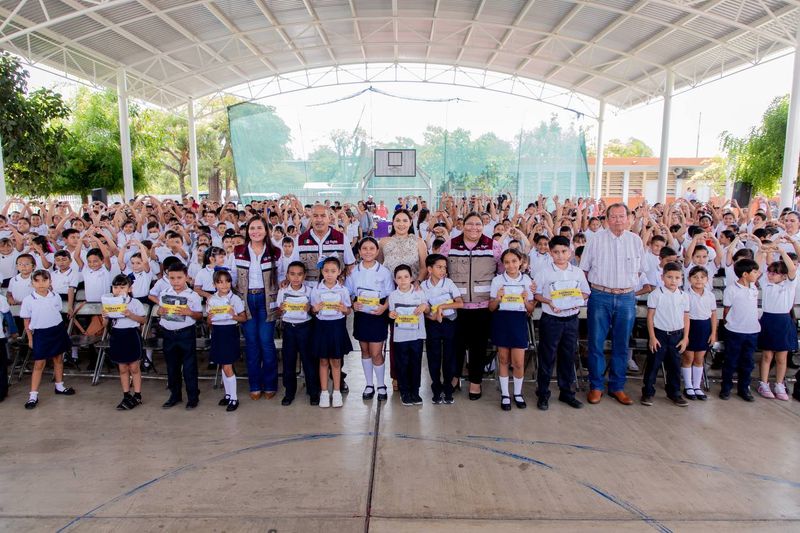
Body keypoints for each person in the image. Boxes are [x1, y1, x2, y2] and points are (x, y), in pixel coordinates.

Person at [580, 203, 642, 405]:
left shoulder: (635, 241)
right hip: (600, 296)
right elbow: (585, 270)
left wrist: (625, 287)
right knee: (596, 343)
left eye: (621, 216)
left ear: (628, 218)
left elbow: (640, 271)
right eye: (613, 216)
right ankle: (596, 386)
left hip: (626, 297)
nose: (617, 220)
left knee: (621, 344)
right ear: (606, 219)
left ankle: (617, 386)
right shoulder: (595, 240)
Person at [439, 212, 503, 400]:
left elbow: (503, 271)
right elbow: (440, 268)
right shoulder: (450, 244)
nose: (473, 228)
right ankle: (454, 378)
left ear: (483, 226)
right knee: (455, 345)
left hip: (482, 307)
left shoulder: (494, 246)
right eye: (469, 224)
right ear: (462, 225)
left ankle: (475, 382)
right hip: (457, 307)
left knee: (479, 347)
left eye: (478, 224)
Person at [533, 235, 590, 410]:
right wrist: (549, 301)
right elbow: (537, 294)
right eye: (556, 252)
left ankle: (567, 393)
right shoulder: (544, 271)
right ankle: (543, 393)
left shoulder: (577, 272)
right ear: (550, 253)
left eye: (564, 251)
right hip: (551, 319)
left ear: (570, 252)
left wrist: (574, 301)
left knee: (568, 356)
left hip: (571, 319)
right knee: (547, 357)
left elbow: (586, 293)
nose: (560, 255)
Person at [379, 208, 428, 390]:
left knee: (411, 334)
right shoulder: (384, 242)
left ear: (410, 223)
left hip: (412, 293)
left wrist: (417, 282)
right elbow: (379, 266)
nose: (401, 224)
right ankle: (396, 376)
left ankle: (411, 377)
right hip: (391, 294)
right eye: (398, 220)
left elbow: (423, 266)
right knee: (395, 337)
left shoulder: (418, 241)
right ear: (393, 222)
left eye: (405, 221)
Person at [234, 216, 281, 401]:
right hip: (246, 301)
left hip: (266, 300)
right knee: (252, 344)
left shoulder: (275, 251)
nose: (255, 231)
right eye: (252, 228)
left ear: (266, 230)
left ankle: (270, 384)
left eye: (259, 228)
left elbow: (283, 275)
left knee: (266, 343)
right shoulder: (238, 251)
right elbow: (232, 276)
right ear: (247, 231)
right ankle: (254, 384)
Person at [346, 237, 392, 401]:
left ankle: (381, 384)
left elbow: (390, 295)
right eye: (364, 248)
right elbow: (349, 292)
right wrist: (353, 304)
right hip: (361, 315)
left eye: (372, 248)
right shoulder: (353, 272)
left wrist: (383, 308)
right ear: (359, 251)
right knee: (365, 351)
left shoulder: (384, 272)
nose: (368, 252)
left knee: (376, 352)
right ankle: (369, 384)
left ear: (377, 251)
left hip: (377, 314)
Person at [20, 269, 74, 409]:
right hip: (41, 334)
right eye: (37, 281)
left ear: (50, 282)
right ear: (32, 283)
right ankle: (33, 396)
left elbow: (57, 312)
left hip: (57, 331)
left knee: (58, 359)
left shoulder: (55, 296)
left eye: (44, 280)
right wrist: (31, 339)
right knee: (39, 364)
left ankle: (59, 386)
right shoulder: (28, 300)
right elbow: (27, 322)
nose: (41, 284)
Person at [488, 248, 535, 411]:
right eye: (507, 262)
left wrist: (525, 300)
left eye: (514, 261)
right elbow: (491, 307)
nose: (511, 265)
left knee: (518, 362)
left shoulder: (527, 280)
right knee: (503, 359)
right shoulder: (497, 280)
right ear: (503, 264)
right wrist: (498, 298)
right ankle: (505, 394)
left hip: (518, 320)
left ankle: (518, 393)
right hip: (502, 320)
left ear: (521, 261)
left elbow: (530, 309)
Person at [641, 262, 690, 407]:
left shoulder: (684, 296)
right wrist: (652, 337)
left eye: (677, 277)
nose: (673, 280)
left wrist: (685, 337)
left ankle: (674, 393)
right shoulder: (656, 294)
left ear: (681, 278)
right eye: (669, 277)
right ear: (662, 277)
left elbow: (686, 317)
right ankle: (648, 392)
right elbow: (650, 316)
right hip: (659, 334)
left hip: (677, 335)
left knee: (675, 366)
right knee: (653, 364)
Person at [158, 262, 203, 409]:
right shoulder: (164, 293)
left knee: (189, 367)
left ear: (186, 278)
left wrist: (189, 312)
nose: (175, 281)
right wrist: (160, 312)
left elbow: (199, 316)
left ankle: (192, 397)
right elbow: (160, 310)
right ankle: (175, 395)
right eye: (172, 278)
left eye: (179, 277)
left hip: (185, 333)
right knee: (172, 367)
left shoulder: (193, 295)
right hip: (168, 333)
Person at [421, 253, 463, 404]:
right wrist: (432, 315)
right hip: (433, 324)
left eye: (444, 267)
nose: (443, 270)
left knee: (449, 356)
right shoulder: (423, 286)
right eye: (439, 267)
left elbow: (459, 303)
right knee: (434, 356)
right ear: (429, 269)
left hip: (449, 323)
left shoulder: (449, 283)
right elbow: (425, 308)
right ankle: (436, 387)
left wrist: (441, 307)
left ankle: (448, 387)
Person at [310, 257, 352, 408]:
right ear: (322, 272)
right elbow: (312, 310)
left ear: (339, 272)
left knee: (335, 360)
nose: (329, 274)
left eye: (333, 271)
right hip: (321, 327)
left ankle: (336, 391)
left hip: (337, 327)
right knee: (323, 361)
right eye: (326, 271)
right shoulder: (316, 290)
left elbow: (348, 310)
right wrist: (315, 309)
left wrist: (344, 309)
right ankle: (324, 392)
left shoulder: (343, 290)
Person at [756, 245, 797, 401]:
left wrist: (781, 252)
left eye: (775, 273)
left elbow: (792, 269)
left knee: (782, 357)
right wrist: (762, 251)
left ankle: (779, 384)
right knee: (767, 355)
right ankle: (763, 383)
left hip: (783, 321)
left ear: (783, 276)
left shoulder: (789, 285)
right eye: (770, 272)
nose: (771, 275)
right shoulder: (766, 284)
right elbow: (756, 267)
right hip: (768, 319)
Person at [276, 261, 320, 406]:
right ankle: (289, 393)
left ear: (304, 276)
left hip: (305, 328)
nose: (296, 278)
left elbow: (315, 310)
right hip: (289, 328)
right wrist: (281, 308)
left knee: (309, 361)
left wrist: (310, 308)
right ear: (287, 275)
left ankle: (313, 392)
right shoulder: (283, 291)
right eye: (292, 274)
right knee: (288, 362)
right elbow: (278, 310)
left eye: (299, 274)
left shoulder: (309, 291)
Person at [102, 274, 146, 410]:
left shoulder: (135, 303)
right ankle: (126, 394)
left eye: (122, 287)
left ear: (129, 288)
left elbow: (143, 321)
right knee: (122, 368)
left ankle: (137, 395)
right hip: (117, 335)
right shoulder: (110, 302)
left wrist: (130, 314)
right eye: (115, 287)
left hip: (131, 334)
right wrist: (104, 316)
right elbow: (105, 325)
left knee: (134, 367)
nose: (119, 290)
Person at [721, 258, 761, 401]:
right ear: (745, 274)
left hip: (752, 331)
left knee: (748, 362)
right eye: (755, 272)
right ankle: (726, 388)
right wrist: (731, 324)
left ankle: (744, 389)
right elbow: (726, 311)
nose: (757, 274)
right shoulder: (731, 289)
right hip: (735, 331)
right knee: (731, 361)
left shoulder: (753, 287)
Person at [388, 264, 428, 406]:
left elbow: (427, 306)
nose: (403, 280)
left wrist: (424, 306)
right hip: (400, 336)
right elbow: (391, 313)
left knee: (415, 363)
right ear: (395, 279)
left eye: (406, 276)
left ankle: (415, 392)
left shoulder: (419, 293)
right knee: (402, 363)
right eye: (399, 277)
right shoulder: (392, 295)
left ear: (411, 278)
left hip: (417, 335)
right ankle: (404, 391)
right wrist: (391, 314)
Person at [207, 270, 246, 412]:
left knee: (228, 366)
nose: (224, 284)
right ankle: (228, 394)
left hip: (229, 332)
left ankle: (234, 398)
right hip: (217, 332)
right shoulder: (212, 299)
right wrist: (209, 318)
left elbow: (243, 318)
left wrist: (233, 315)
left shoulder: (234, 299)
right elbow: (208, 321)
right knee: (223, 364)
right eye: (220, 282)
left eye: (227, 281)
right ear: (214, 284)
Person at [682, 266, 717, 401]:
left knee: (699, 358)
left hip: (704, 327)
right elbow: (684, 315)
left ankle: (697, 386)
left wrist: (713, 333)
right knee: (688, 358)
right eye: (695, 277)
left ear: (707, 279)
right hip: (690, 326)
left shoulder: (710, 295)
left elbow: (713, 315)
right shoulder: (685, 295)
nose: (699, 280)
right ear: (689, 279)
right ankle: (688, 386)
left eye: (702, 277)